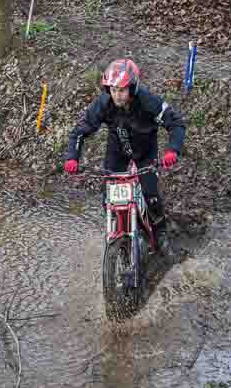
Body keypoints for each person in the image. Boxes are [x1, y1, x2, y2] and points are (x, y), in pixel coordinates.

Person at [63, 58, 185, 258]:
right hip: (117, 150)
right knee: (107, 198)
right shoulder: (104, 104)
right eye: (113, 90)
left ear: (132, 88)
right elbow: (79, 131)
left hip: (146, 150)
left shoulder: (148, 102)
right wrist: (72, 157)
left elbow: (176, 123)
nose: (117, 95)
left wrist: (173, 150)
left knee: (150, 194)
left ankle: (161, 234)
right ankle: (117, 234)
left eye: (121, 90)